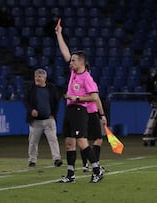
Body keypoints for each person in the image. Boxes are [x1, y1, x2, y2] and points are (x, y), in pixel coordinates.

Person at [55, 21, 103, 183]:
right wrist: (59, 34)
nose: (71, 62)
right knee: (69, 143)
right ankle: (71, 175)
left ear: (81, 62)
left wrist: (77, 98)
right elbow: (65, 52)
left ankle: (97, 170)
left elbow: (95, 96)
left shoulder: (86, 77)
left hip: (79, 110)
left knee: (82, 141)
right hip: (70, 110)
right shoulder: (74, 72)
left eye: (74, 61)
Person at [24, 68, 62, 168]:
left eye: (39, 76)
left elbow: (56, 102)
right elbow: (25, 101)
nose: (37, 78)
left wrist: (53, 114)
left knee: (53, 139)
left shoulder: (51, 88)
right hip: (36, 121)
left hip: (49, 120)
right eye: (36, 76)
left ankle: (57, 159)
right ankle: (32, 160)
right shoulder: (30, 88)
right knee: (33, 142)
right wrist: (31, 110)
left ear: (44, 78)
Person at [80, 94, 107, 172]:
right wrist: (102, 115)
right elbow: (96, 98)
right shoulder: (91, 84)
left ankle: (85, 165)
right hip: (91, 113)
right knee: (98, 138)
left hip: (80, 113)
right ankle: (95, 164)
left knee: (83, 139)